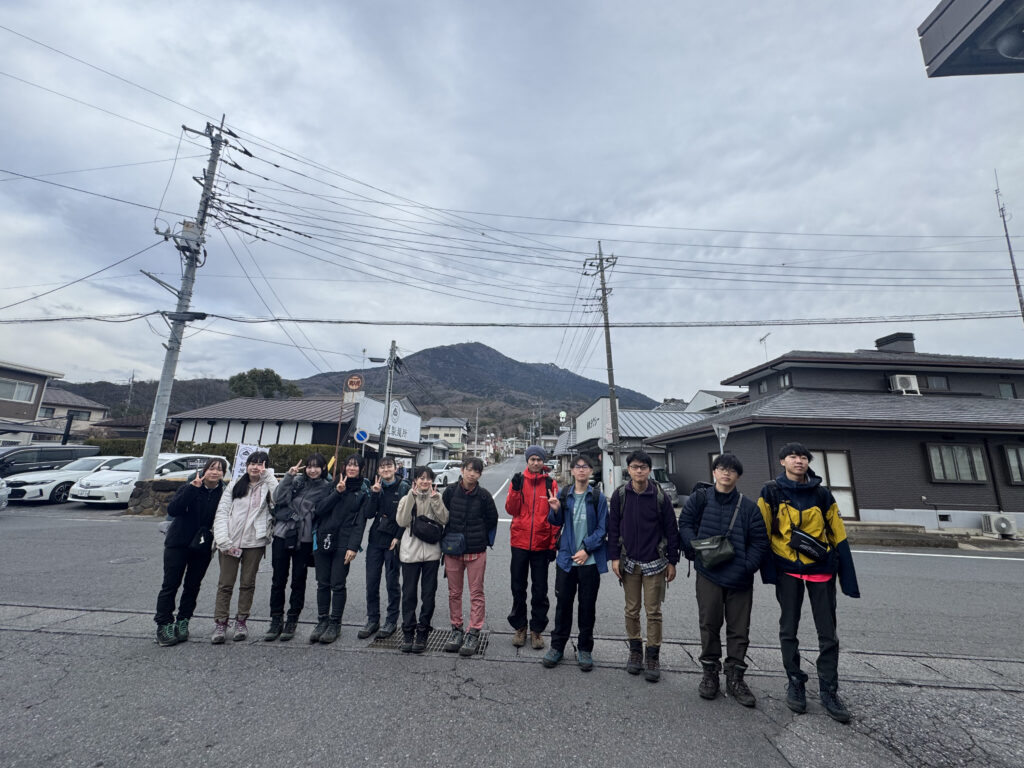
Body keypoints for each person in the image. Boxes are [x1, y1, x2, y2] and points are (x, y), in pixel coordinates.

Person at [759, 442, 860, 723]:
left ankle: (829, 688)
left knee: (828, 632)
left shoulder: (822, 494)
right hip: (787, 568)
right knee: (788, 628)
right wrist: (767, 571)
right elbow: (762, 531)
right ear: (782, 462)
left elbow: (838, 534)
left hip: (821, 568)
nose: (799, 461)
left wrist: (848, 578)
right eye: (792, 456)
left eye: (803, 457)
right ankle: (795, 680)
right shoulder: (771, 492)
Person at [678, 453, 768, 706]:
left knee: (739, 629)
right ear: (714, 472)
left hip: (740, 577)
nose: (726, 473)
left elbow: (760, 541)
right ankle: (710, 673)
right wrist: (695, 548)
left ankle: (735, 677)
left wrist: (747, 567)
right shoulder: (700, 499)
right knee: (709, 623)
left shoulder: (748, 507)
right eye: (721, 468)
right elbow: (685, 524)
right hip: (708, 573)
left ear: (738, 475)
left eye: (732, 470)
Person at [607, 450, 680, 682]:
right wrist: (614, 557)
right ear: (628, 470)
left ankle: (653, 655)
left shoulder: (659, 496)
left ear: (649, 470)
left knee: (653, 611)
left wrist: (672, 561)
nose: (639, 471)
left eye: (643, 467)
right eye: (635, 467)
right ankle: (635, 651)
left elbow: (671, 529)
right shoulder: (620, 495)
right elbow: (613, 528)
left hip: (655, 562)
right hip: (628, 561)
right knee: (631, 610)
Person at [541, 455, 608, 671]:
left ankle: (585, 648)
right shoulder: (564, 494)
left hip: (589, 561)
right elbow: (556, 522)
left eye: (585, 467)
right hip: (566, 560)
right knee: (563, 605)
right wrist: (555, 509)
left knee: (587, 607)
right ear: (572, 471)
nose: (581, 470)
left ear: (590, 471)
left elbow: (603, 529)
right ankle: (557, 647)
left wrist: (586, 549)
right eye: (577, 467)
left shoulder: (597, 497)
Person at [154, 457, 228, 646]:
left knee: (193, 585)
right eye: (212, 468)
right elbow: (173, 510)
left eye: (220, 469)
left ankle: (183, 621)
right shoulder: (190, 486)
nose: (215, 472)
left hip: (202, 546)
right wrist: (192, 489)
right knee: (170, 584)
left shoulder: (224, 493)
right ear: (204, 470)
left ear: (223, 474)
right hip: (178, 542)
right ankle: (164, 624)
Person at [264, 452, 333, 642]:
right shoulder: (297, 481)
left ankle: (292, 619)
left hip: (305, 538)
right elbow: (278, 498)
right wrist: (289, 476)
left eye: (316, 466)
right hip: (282, 534)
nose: (312, 470)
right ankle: (276, 619)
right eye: (309, 466)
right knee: (278, 579)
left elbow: (324, 510)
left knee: (298, 580)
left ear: (323, 468)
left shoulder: (326, 487)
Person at [211, 451, 278, 643]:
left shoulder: (268, 485)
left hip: (254, 542)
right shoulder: (235, 485)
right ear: (246, 465)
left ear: (266, 467)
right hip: (229, 541)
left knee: (248, 584)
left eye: (260, 464)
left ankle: (241, 621)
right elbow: (222, 512)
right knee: (225, 584)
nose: (255, 467)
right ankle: (221, 623)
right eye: (252, 463)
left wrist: (269, 476)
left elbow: (279, 498)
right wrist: (222, 539)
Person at [441, 457, 499, 656]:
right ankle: (456, 629)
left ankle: (474, 631)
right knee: (454, 593)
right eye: (469, 469)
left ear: (480, 474)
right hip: (453, 550)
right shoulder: (450, 492)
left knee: (476, 593)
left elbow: (492, 519)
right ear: (462, 470)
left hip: (476, 551)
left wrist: (480, 537)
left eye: (476, 471)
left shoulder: (484, 496)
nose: (472, 474)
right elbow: (443, 516)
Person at [310, 453, 369, 644]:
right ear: (344, 467)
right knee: (322, 583)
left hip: (344, 542)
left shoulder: (362, 492)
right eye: (349, 464)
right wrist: (337, 492)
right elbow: (319, 509)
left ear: (361, 469)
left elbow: (360, 523)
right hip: (324, 538)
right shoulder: (331, 485)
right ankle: (322, 621)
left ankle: (335, 623)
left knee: (337, 583)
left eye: (355, 465)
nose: (351, 468)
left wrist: (353, 547)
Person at [505, 445, 559, 649]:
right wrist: (515, 490)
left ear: (543, 462)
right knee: (518, 587)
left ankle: (537, 629)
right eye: (532, 459)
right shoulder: (519, 480)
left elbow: (555, 517)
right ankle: (520, 627)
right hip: (519, 542)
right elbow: (511, 509)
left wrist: (552, 544)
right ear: (527, 460)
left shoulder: (550, 483)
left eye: (539, 459)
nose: (536, 463)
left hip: (542, 543)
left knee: (540, 589)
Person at [395, 466, 449, 653]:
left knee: (428, 595)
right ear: (415, 480)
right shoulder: (406, 498)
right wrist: (411, 496)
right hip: (410, 553)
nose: (425, 481)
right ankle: (408, 631)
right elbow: (402, 522)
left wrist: (435, 500)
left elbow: (444, 519)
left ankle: (423, 631)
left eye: (428, 478)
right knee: (409, 594)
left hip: (432, 554)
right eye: (421, 478)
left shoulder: (437, 497)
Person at [359, 456, 408, 640]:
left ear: (395, 468)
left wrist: (397, 537)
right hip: (375, 541)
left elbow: (408, 516)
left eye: (389, 466)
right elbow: (369, 514)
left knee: (391, 583)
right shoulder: (376, 488)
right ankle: (373, 619)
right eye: (382, 467)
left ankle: (391, 621)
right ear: (378, 471)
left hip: (393, 542)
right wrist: (374, 494)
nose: (386, 469)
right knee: (371, 582)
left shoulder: (404, 488)